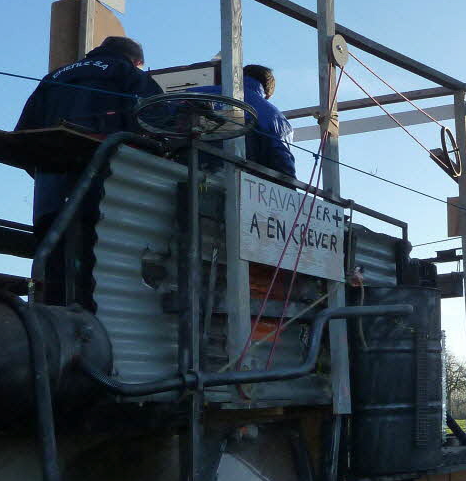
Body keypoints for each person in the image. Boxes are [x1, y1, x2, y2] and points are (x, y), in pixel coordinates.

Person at [15, 36, 162, 305]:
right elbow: (159, 125)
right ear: (137, 61)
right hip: (109, 198)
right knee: (101, 284)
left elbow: (24, 135)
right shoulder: (129, 75)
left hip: (50, 200)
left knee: (54, 278)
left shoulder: (55, 77)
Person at [193, 64, 297, 177]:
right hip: (236, 179)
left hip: (186, 169)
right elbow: (282, 163)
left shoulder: (193, 93)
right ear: (267, 95)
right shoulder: (276, 117)